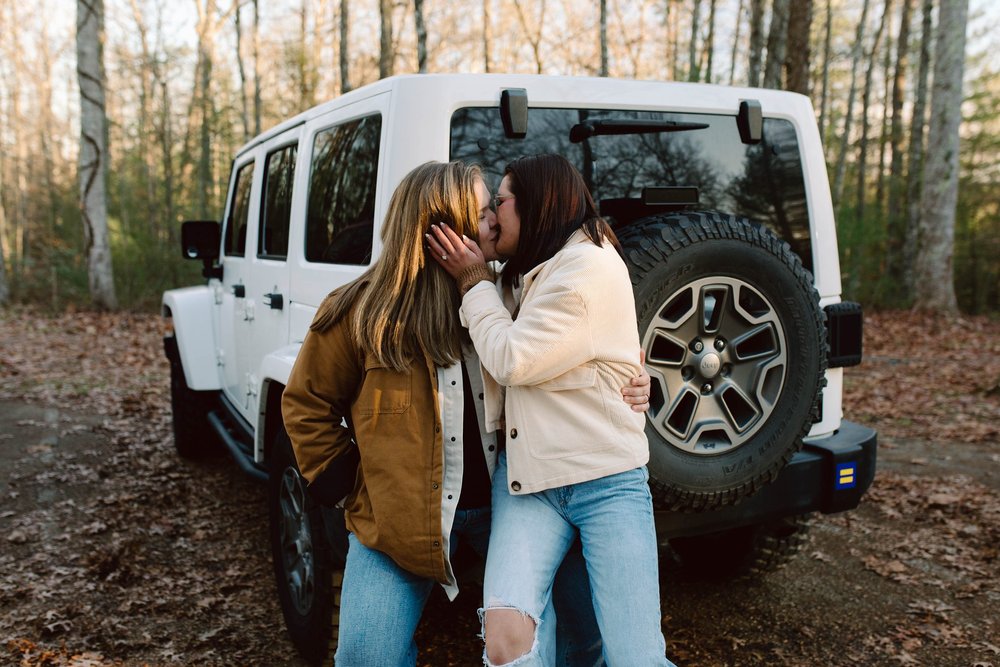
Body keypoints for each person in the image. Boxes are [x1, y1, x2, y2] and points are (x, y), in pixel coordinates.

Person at [281, 160, 651, 666]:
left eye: (496, 209)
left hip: (515, 500)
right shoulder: (361, 311)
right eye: (482, 214)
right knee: (365, 656)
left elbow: (582, 342)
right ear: (441, 230)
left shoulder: (507, 292)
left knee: (580, 637)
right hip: (401, 519)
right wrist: (346, 483)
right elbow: (307, 401)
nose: (495, 223)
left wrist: (633, 379)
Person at [428, 154, 675, 666]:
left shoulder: (586, 268)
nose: (492, 215)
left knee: (635, 658)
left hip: (606, 482)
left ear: (536, 205)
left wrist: (473, 278)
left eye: (500, 202)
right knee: (505, 640)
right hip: (529, 484)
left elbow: (513, 359)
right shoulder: (524, 272)